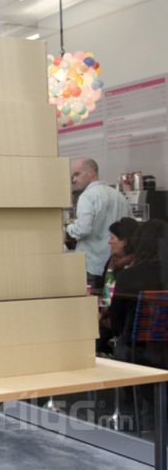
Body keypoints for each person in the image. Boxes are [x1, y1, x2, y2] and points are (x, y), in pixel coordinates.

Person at [110, 219, 168, 428]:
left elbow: (116, 325)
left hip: (139, 351)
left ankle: (140, 414)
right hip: (162, 351)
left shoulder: (128, 276)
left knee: (117, 346)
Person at [65, 158, 131, 288]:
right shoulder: (119, 196)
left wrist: (68, 227)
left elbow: (83, 229)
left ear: (91, 173)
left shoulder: (87, 196)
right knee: (108, 298)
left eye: (77, 174)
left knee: (91, 299)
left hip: (92, 265)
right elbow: (130, 225)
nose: (74, 180)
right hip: (115, 265)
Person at [96, 217, 139, 354]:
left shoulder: (134, 267)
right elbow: (106, 294)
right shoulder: (113, 262)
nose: (109, 242)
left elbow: (116, 303)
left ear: (124, 241)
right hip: (109, 316)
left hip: (123, 324)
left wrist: (102, 313)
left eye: (112, 238)